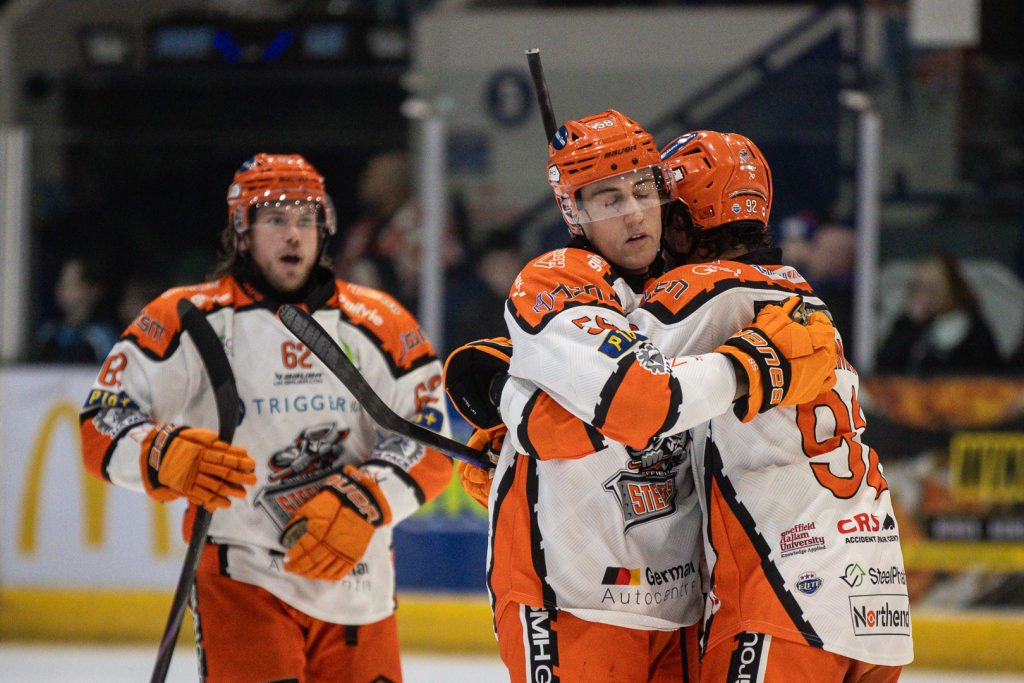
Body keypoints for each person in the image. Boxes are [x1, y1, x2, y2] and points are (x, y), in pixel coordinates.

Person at [471, 130, 913, 681]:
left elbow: (620, 400)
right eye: (614, 199)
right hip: (876, 594)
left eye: (647, 194)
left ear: (681, 215)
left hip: (781, 593)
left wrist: (510, 403)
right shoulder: (800, 294)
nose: (638, 215)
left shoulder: (697, 294)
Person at [79, 153, 453, 682]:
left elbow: (431, 440)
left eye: (305, 220)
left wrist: (367, 498)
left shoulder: (381, 323)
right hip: (240, 576)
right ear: (242, 231)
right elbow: (102, 422)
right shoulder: (184, 317)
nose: (294, 235)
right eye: (275, 220)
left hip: (356, 579)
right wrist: (161, 453)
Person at [876, 252, 1002, 375]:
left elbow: (989, 372)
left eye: (931, 287)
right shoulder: (907, 326)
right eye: (917, 287)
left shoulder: (974, 329)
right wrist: (909, 323)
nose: (923, 295)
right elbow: (884, 368)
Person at [32, 256, 119, 363]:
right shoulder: (47, 333)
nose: (61, 288)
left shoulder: (101, 338)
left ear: (92, 290)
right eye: (61, 282)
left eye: (71, 283)